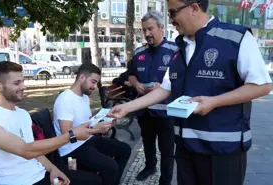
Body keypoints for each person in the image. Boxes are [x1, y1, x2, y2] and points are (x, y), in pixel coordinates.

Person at [107, 0, 272, 184]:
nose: (170, 20)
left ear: (194, 8)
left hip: (222, 152)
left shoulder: (236, 38)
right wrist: (127, 107)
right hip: (185, 150)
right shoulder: (180, 49)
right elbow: (165, 89)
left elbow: (262, 85)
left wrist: (214, 102)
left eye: (172, 13)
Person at [0, 61, 95, 185]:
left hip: (39, 175)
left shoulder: (22, 113)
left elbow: (34, 149)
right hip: (19, 182)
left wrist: (52, 169)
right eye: (17, 83)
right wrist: (71, 135)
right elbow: (26, 151)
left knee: (95, 180)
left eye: (23, 81)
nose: (23, 86)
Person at [53, 63, 132, 185]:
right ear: (82, 77)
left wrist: (106, 123)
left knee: (125, 149)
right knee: (111, 167)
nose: (95, 86)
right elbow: (67, 134)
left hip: (87, 140)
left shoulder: (84, 97)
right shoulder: (65, 99)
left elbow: (88, 123)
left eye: (96, 83)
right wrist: (96, 130)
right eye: (93, 82)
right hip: (71, 149)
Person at [128, 11, 177, 185]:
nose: (147, 33)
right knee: (147, 143)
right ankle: (150, 167)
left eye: (151, 29)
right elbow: (131, 74)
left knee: (166, 149)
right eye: (144, 30)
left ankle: (165, 180)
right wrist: (136, 85)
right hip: (144, 111)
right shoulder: (139, 52)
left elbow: (180, 79)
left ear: (161, 28)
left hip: (165, 112)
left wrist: (165, 87)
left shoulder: (174, 50)